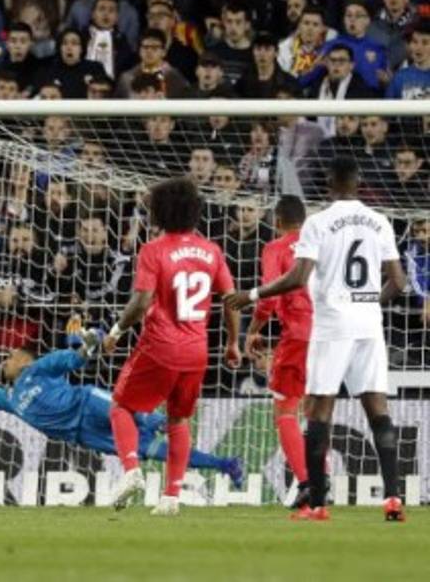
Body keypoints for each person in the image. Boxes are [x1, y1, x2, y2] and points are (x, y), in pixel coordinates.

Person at [227, 156, 408, 522]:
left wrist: (252, 296)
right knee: (378, 411)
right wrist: (369, 302)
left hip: (331, 327)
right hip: (369, 326)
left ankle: (317, 504)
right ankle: (393, 500)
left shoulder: (319, 223)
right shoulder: (380, 222)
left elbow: (298, 277)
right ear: (358, 183)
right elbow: (400, 283)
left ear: (329, 184)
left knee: (317, 411)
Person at [0, 330, 242, 486]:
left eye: (9, 357)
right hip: (82, 433)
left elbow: (72, 358)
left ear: (24, 358)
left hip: (87, 404)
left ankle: (161, 419)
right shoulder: (7, 398)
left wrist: (86, 347)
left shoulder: (39, 368)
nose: (5, 363)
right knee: (156, 453)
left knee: (127, 411)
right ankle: (226, 465)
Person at [103, 176, 241, 516]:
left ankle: (132, 471)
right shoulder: (211, 250)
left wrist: (117, 330)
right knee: (178, 420)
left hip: (160, 347)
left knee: (121, 406)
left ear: (160, 212)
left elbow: (141, 301)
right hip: (197, 351)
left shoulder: (154, 250)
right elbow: (232, 299)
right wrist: (234, 342)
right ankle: (171, 498)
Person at [241, 195, 312, 510]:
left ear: (277, 221)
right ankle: (317, 483)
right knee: (316, 414)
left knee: (285, 412)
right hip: (332, 337)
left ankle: (308, 484)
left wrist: (253, 329)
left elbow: (269, 297)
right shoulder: (320, 244)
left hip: (298, 336)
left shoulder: (275, 248)